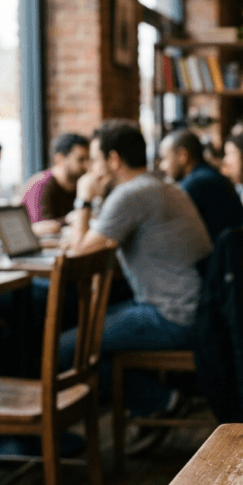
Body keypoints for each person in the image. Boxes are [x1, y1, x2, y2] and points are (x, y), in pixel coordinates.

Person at [61, 120, 212, 427]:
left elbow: (77, 255)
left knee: (66, 348)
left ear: (114, 160)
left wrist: (84, 198)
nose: (91, 168)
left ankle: (161, 400)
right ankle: (155, 400)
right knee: (88, 326)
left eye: (95, 159)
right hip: (195, 306)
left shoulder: (130, 194)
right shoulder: (160, 185)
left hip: (172, 316)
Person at [159, 129, 243, 243]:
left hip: (217, 258)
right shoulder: (212, 175)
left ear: (182, 156)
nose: (162, 166)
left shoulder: (194, 185)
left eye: (165, 158)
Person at [20, 132, 90, 234]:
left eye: (88, 159)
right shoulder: (40, 185)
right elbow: (42, 228)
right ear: (59, 159)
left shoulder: (79, 185)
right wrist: (69, 219)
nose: (87, 165)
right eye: (81, 159)